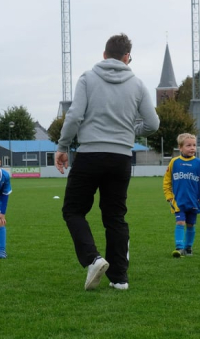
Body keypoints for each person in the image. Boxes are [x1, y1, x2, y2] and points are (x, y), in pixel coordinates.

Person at [55, 33, 159, 291]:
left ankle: (93, 259)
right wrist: (128, 130)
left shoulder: (88, 78)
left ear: (104, 55)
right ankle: (120, 278)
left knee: (73, 210)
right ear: (127, 57)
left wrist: (63, 145)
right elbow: (153, 124)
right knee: (115, 217)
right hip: (121, 158)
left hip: (90, 154)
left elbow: (75, 116)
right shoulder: (137, 84)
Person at [163, 133, 200, 258]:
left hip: (194, 201)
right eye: (188, 145)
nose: (192, 148)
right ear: (180, 147)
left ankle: (188, 247)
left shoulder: (199, 163)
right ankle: (179, 248)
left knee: (190, 224)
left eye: (194, 145)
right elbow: (167, 181)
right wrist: (169, 196)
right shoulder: (174, 162)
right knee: (180, 222)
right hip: (178, 201)